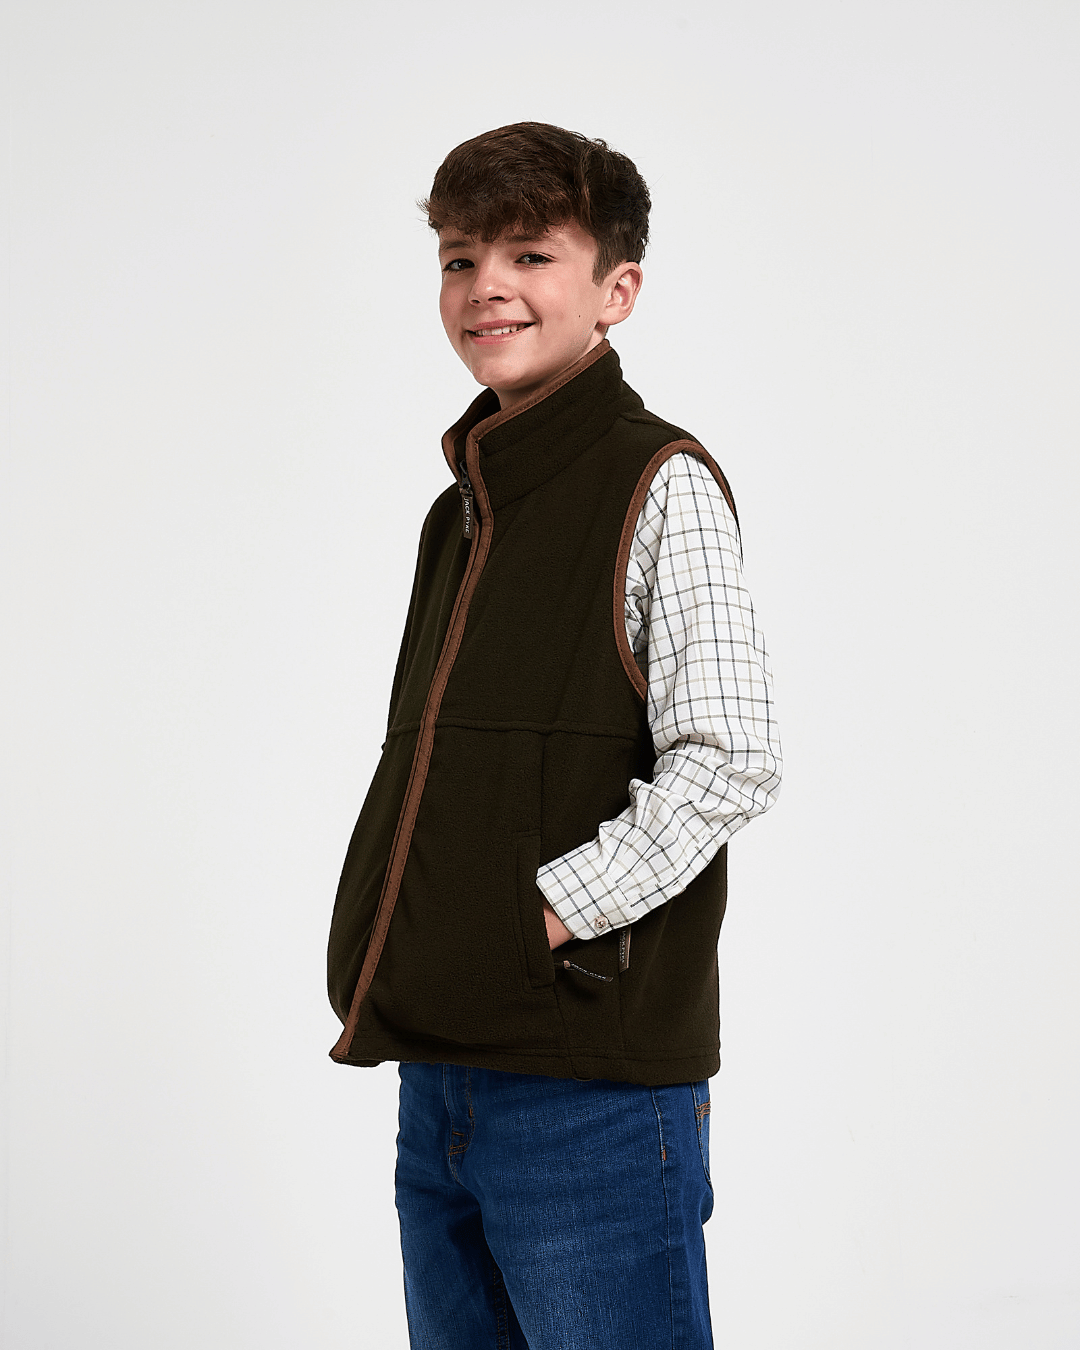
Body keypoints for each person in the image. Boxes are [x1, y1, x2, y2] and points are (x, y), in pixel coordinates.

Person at [325, 122, 782, 1349]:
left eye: (530, 254)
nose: (488, 286)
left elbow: (730, 758)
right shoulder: (460, 512)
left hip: (589, 1088)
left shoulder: (660, 481)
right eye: (460, 258)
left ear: (616, 290)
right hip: (441, 1072)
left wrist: (535, 921)